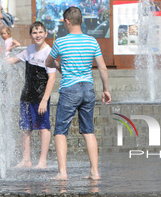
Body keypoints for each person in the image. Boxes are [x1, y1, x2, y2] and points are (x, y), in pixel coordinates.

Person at [45, 6, 111, 180]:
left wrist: (58, 65)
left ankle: (62, 172)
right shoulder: (92, 41)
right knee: (89, 131)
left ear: (67, 22)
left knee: (60, 131)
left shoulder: (61, 42)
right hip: (88, 88)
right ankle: (95, 171)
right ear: (81, 21)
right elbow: (103, 68)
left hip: (69, 89)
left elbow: (48, 61)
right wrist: (106, 89)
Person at [8, 21, 56, 169]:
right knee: (25, 127)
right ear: (31, 35)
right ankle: (26, 160)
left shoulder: (48, 52)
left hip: (41, 95)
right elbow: (12, 60)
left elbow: (52, 78)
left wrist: (45, 100)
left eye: (40, 32)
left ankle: (42, 161)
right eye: (35, 33)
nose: (38, 35)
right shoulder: (29, 50)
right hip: (27, 94)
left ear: (46, 34)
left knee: (43, 127)